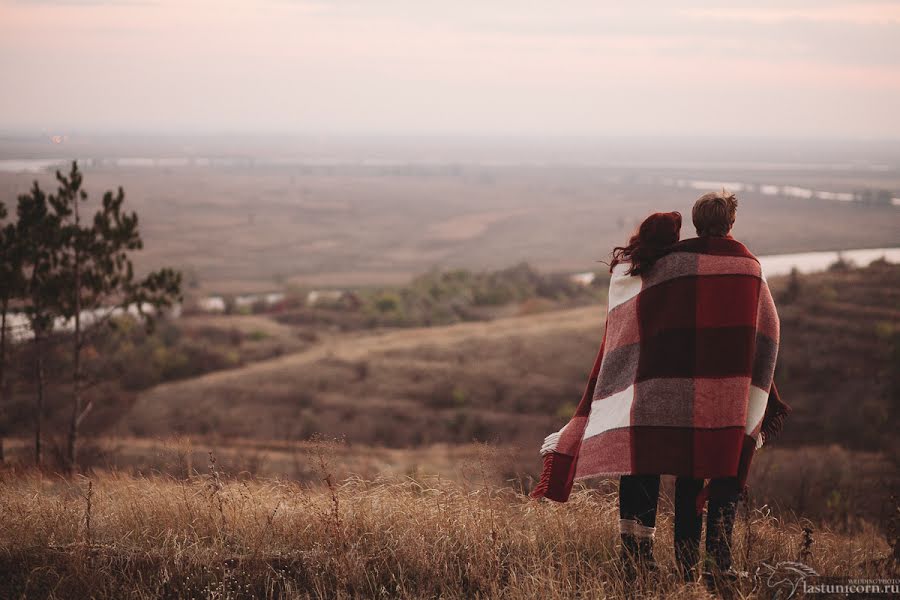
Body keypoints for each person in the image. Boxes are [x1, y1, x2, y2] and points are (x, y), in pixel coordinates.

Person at [532, 192, 790, 587]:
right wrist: (755, 394)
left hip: (654, 393)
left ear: (696, 221)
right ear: (731, 224)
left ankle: (636, 561)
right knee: (696, 477)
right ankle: (696, 568)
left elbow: (629, 304)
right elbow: (767, 337)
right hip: (715, 402)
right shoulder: (749, 269)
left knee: (641, 471)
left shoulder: (664, 264)